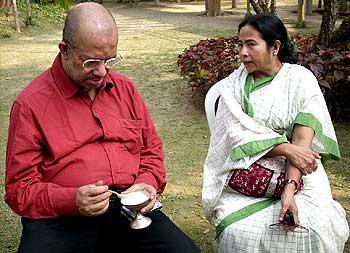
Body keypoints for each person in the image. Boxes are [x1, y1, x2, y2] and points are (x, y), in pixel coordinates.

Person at [5, 3, 200, 253]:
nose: (102, 71)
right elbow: (19, 190)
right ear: (64, 50)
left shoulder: (125, 89)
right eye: (91, 62)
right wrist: (72, 200)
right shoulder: (31, 104)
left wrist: (148, 182)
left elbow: (151, 149)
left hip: (129, 209)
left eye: (110, 60)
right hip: (62, 218)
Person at [202, 13, 349, 252]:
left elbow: (302, 142)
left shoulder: (301, 80)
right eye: (240, 44)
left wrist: (289, 188)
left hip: (300, 171)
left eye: (251, 44)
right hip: (247, 168)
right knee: (238, 232)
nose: (242, 52)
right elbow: (235, 134)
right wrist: (285, 148)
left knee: (313, 226)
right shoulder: (232, 86)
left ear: (275, 46)